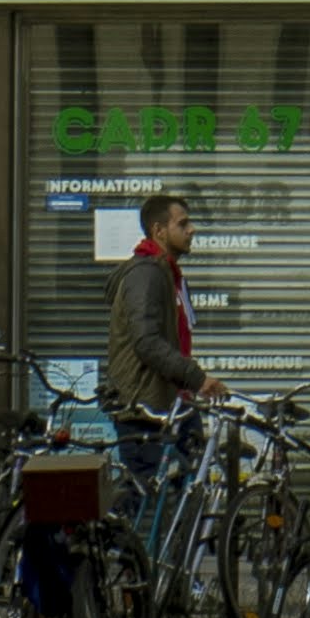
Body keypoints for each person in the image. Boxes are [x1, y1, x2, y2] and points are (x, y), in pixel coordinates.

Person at [103, 186, 223, 510]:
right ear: (159, 230)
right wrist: (197, 378)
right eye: (182, 224)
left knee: (186, 492)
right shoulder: (146, 274)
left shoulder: (168, 274)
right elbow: (147, 341)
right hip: (146, 410)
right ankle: (120, 558)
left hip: (172, 406)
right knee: (144, 506)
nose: (192, 230)